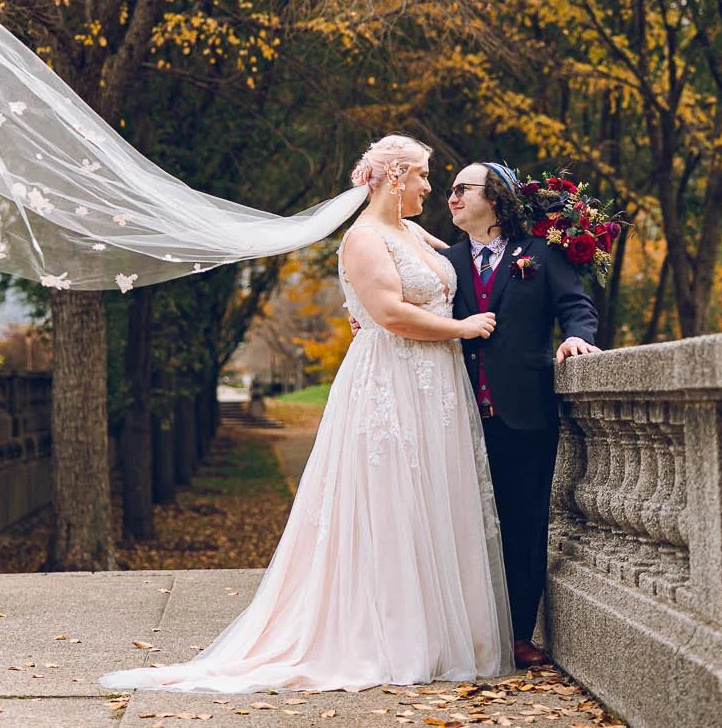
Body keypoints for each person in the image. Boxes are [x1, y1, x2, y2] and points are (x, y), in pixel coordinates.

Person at [100, 135, 513, 693]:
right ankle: (390, 638)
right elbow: (390, 312)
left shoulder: (413, 232)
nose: (428, 187)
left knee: (433, 499)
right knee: (392, 501)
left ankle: (439, 635)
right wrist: (462, 329)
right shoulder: (364, 239)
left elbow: (464, 260)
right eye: (421, 177)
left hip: (435, 384)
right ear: (395, 177)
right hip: (390, 381)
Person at [442, 162, 599, 668]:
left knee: (524, 523)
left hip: (524, 415)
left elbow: (576, 306)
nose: (452, 196)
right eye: (449, 189)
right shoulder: (446, 263)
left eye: (463, 188)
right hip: (456, 415)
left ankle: (517, 634)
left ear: (497, 197)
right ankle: (462, 633)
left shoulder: (541, 254)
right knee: (460, 527)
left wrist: (578, 336)